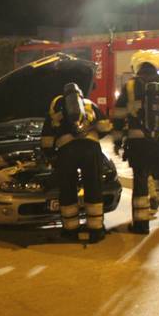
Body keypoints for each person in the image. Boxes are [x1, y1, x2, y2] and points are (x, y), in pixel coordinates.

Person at [111, 49, 159, 234]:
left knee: (141, 184)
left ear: (137, 65)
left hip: (139, 145)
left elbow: (118, 117)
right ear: (156, 64)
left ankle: (141, 224)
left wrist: (117, 142)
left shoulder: (129, 87)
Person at [42, 82, 112, 243]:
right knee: (94, 187)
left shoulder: (56, 107)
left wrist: (51, 155)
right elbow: (105, 127)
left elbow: (47, 138)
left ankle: (70, 229)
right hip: (91, 150)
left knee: (67, 188)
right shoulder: (90, 105)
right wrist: (93, 138)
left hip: (67, 152)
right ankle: (96, 229)